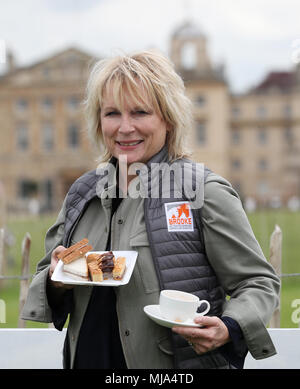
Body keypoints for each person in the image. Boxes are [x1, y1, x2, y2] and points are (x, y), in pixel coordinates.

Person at [21, 50, 280, 369]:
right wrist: (57, 278)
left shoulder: (202, 191)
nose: (125, 127)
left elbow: (257, 282)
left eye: (140, 112)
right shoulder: (81, 193)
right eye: (112, 113)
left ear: (168, 118)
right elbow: (50, 277)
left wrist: (230, 327)